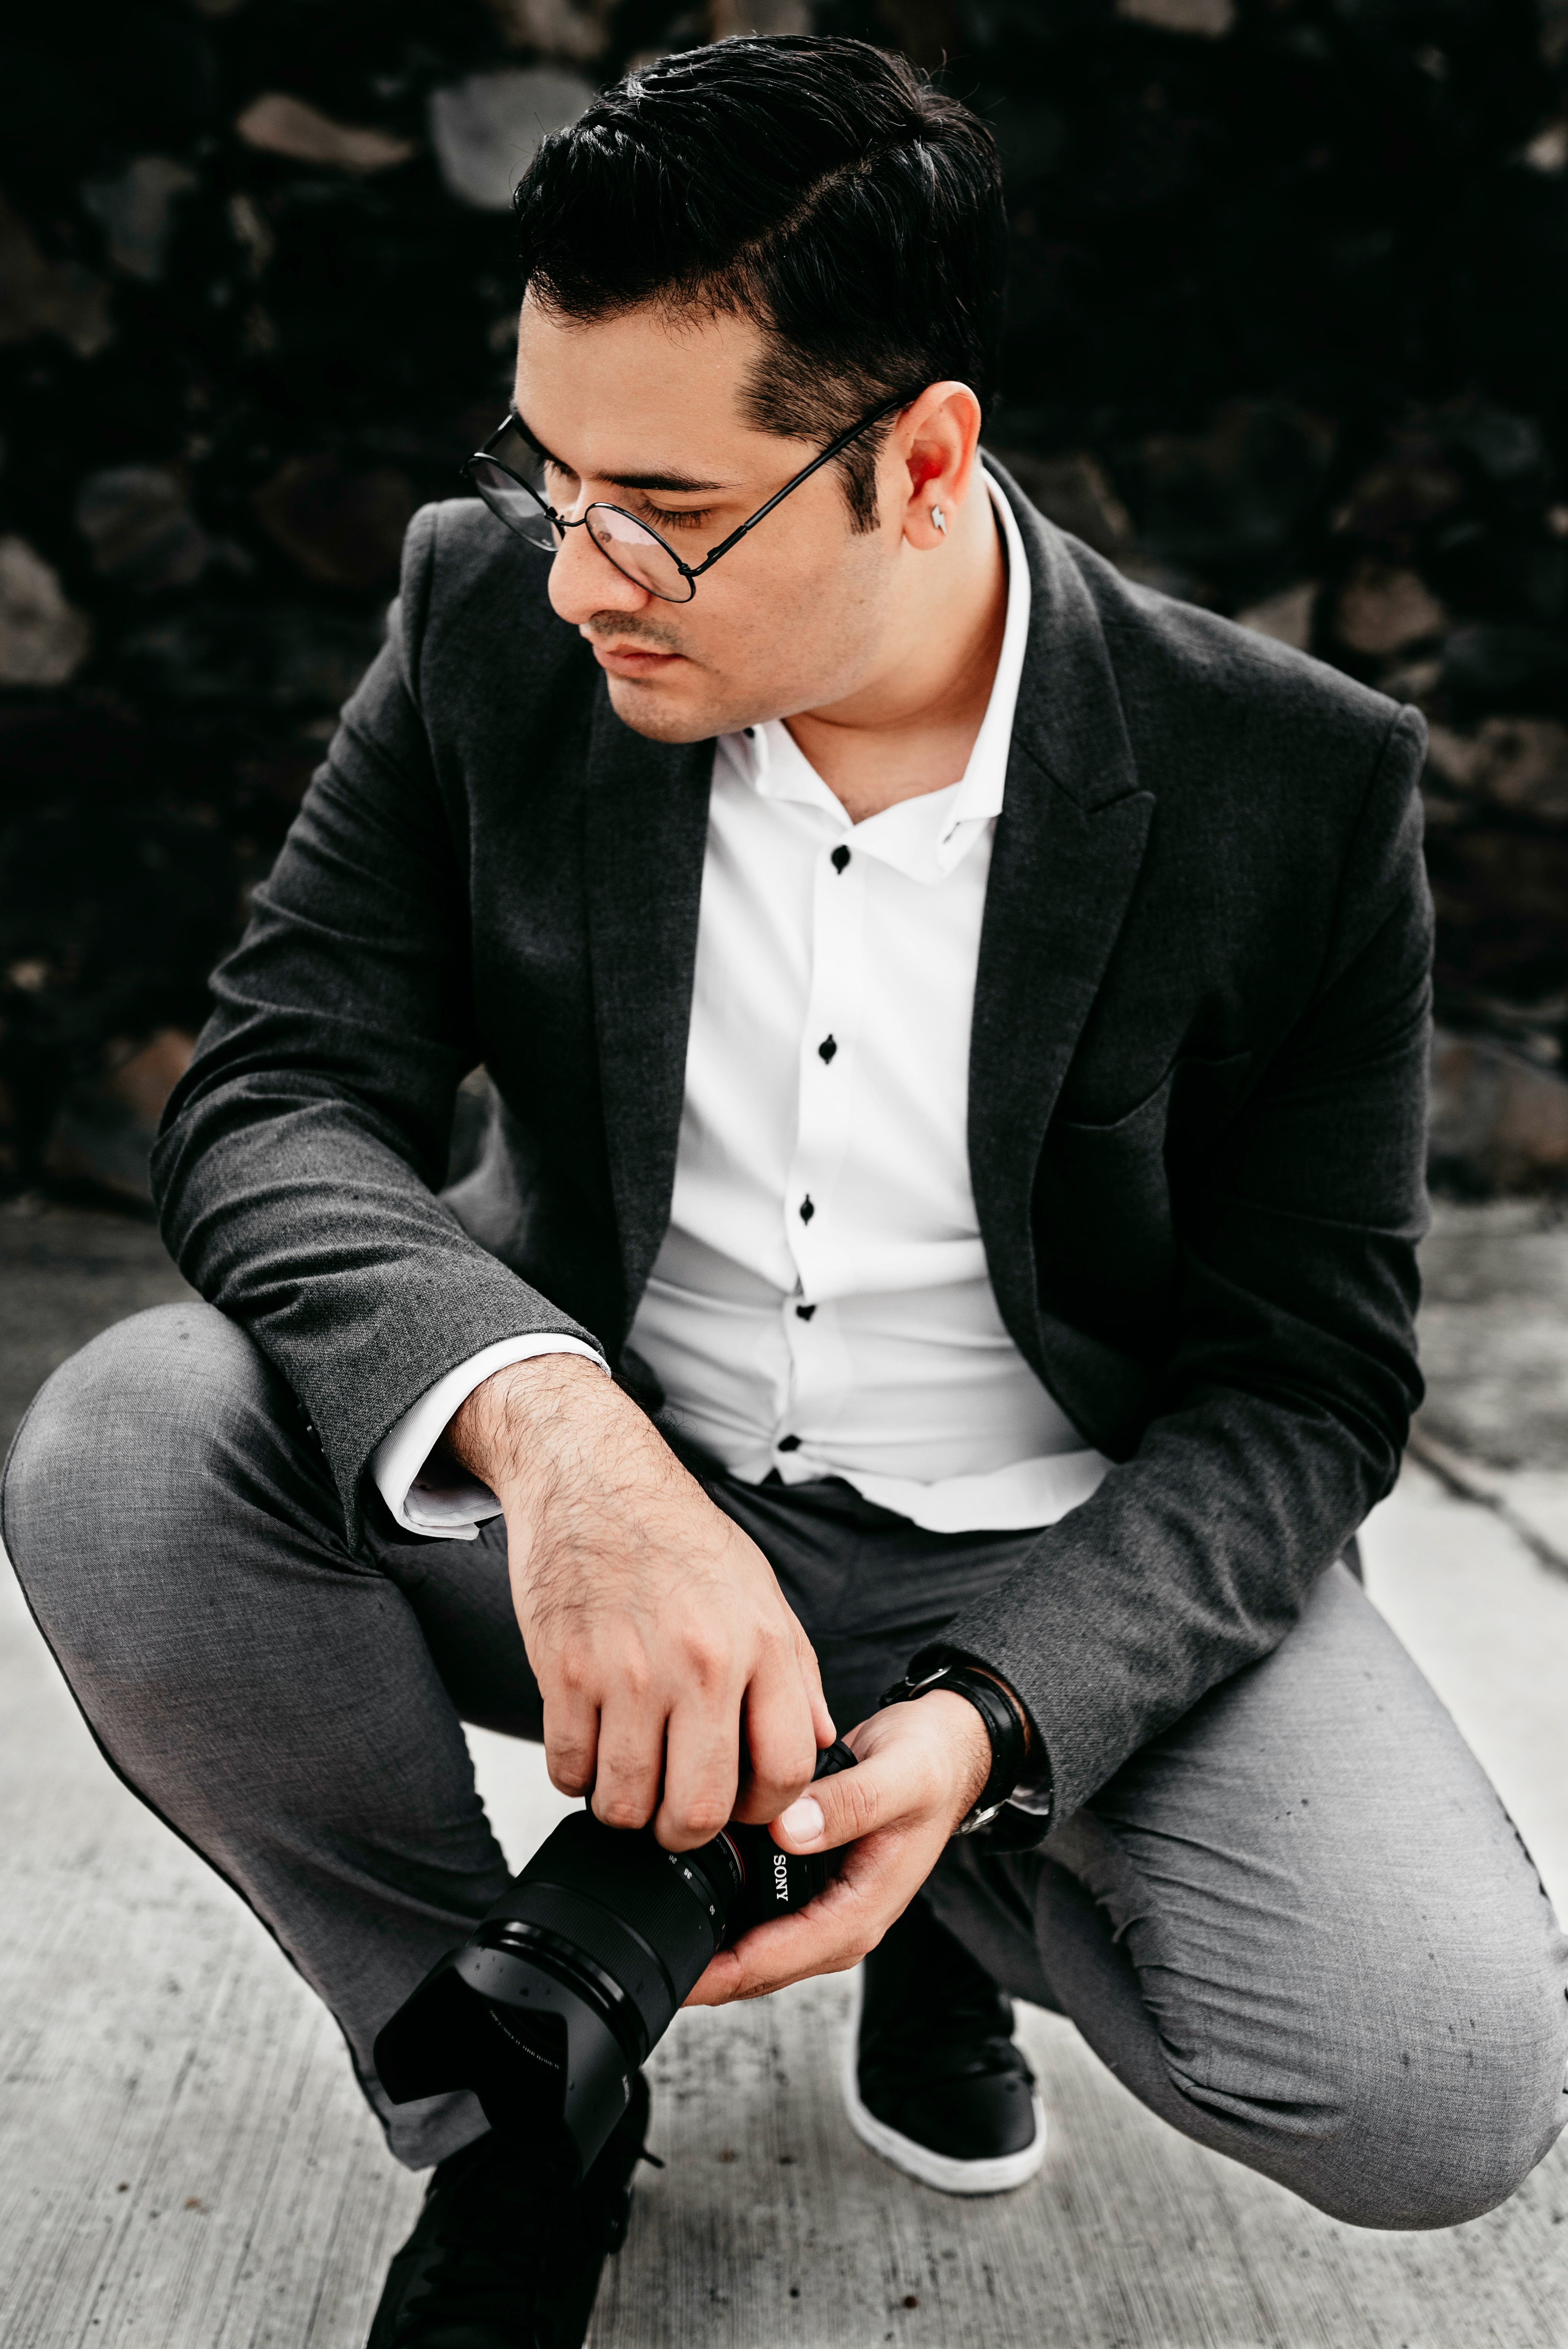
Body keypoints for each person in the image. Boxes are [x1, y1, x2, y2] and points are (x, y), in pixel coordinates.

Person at [5, 33, 1566, 2348]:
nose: (579, 576)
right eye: (547, 480)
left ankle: (932, 1878)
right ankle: (517, 2102)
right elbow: (274, 1092)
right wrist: (560, 1438)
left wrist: (987, 1727)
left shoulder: (1286, 785)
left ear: (922, 457)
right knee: (126, 1455)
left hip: (1044, 1540)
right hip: (606, 1523)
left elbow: (1306, 1390)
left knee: (1431, 2082)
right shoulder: (480, 617)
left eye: (663, 507)